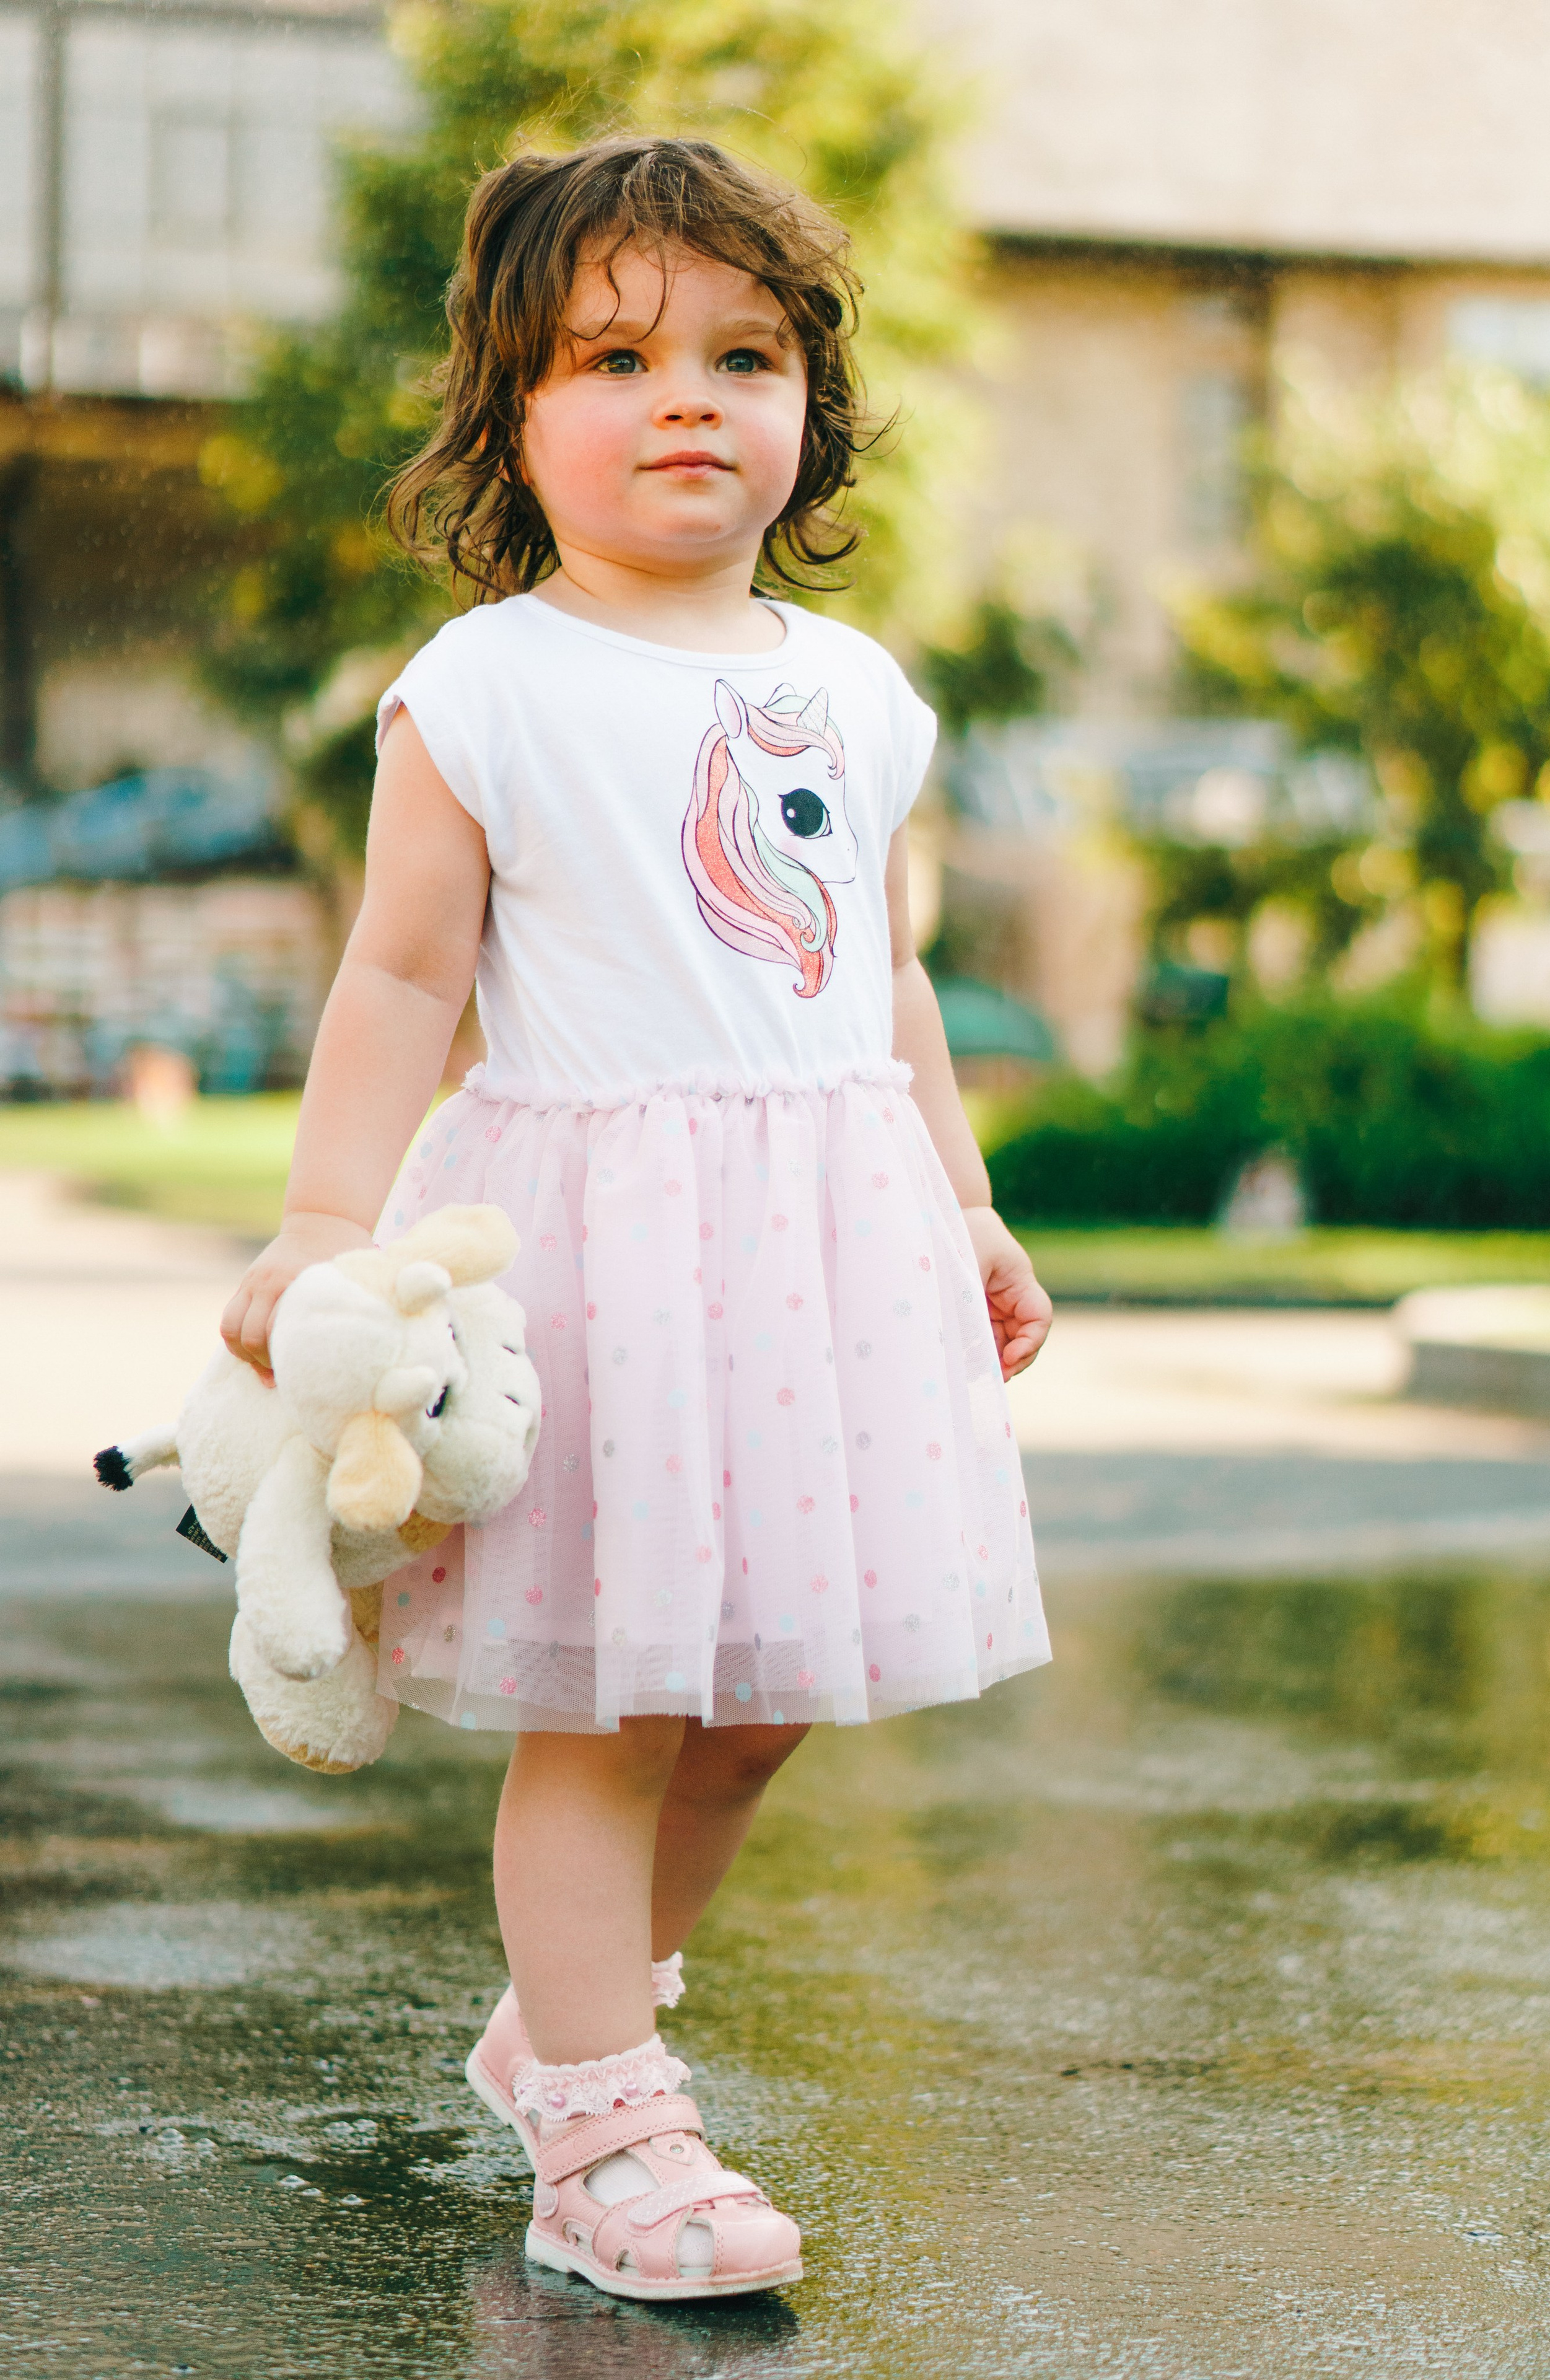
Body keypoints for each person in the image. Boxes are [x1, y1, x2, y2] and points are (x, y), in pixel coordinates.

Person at [221, 133, 1053, 2301]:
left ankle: (562, 2025)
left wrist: (963, 1207)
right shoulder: (487, 680)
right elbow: (403, 974)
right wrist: (324, 1214)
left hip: (819, 1245)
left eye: (744, 352)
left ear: (810, 409)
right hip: (602, 1256)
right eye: (614, 355)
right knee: (612, 1705)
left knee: (758, 1693)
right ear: (516, 416)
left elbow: (883, 978)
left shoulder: (859, 691)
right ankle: (603, 2134)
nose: (688, 395)